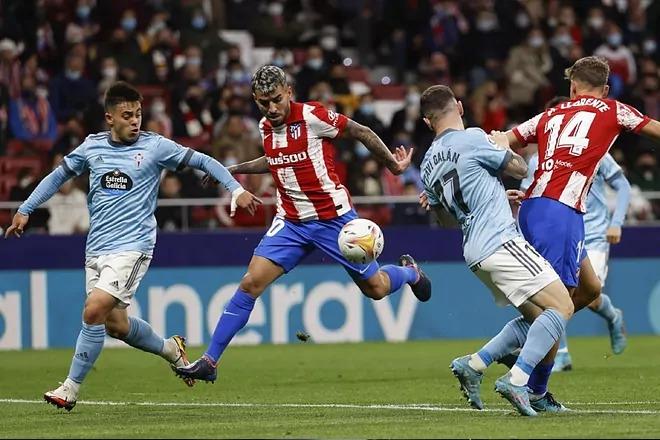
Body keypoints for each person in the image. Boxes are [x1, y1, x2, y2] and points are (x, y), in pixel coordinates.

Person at [4, 82, 262, 411]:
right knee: (116, 325)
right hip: (96, 249)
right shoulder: (92, 147)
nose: (135, 121)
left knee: (94, 310)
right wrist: (26, 208)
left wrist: (236, 189)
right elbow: (57, 177)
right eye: (127, 115)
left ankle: (70, 388)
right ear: (110, 118)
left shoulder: (155, 147)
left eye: (138, 114)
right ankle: (171, 349)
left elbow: (203, 161)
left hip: (133, 247)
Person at [173, 65, 432, 384]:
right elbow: (272, 160)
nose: (271, 108)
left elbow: (361, 131)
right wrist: (230, 169)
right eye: (263, 102)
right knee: (250, 283)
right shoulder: (266, 127)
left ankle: (410, 272)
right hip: (291, 222)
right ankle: (210, 361)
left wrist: (393, 165)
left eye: (277, 100)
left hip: (333, 220)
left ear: (289, 92)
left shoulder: (313, 117)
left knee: (376, 288)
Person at [503, 56, 660, 410]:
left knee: (589, 289)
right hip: (560, 212)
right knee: (558, 306)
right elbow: (653, 130)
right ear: (605, 89)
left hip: (541, 208)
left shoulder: (549, 115)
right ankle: (529, 383)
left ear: (572, 86)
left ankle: (528, 341)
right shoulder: (613, 109)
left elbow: (505, 140)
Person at [417, 85, 573, 417]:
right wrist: (502, 143)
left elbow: (446, 221)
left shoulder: (428, 163)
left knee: (537, 320)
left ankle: (474, 364)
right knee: (562, 306)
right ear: (459, 106)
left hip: (474, 252)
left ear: (427, 122)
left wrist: (496, 196)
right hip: (500, 241)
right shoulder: (473, 137)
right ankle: (517, 380)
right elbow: (518, 168)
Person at [521, 150, 631, 371]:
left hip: (594, 234)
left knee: (588, 295)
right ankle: (561, 354)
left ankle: (612, 315)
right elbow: (529, 198)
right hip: (559, 234)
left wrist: (617, 222)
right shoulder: (538, 159)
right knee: (556, 294)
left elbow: (623, 186)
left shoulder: (595, 148)